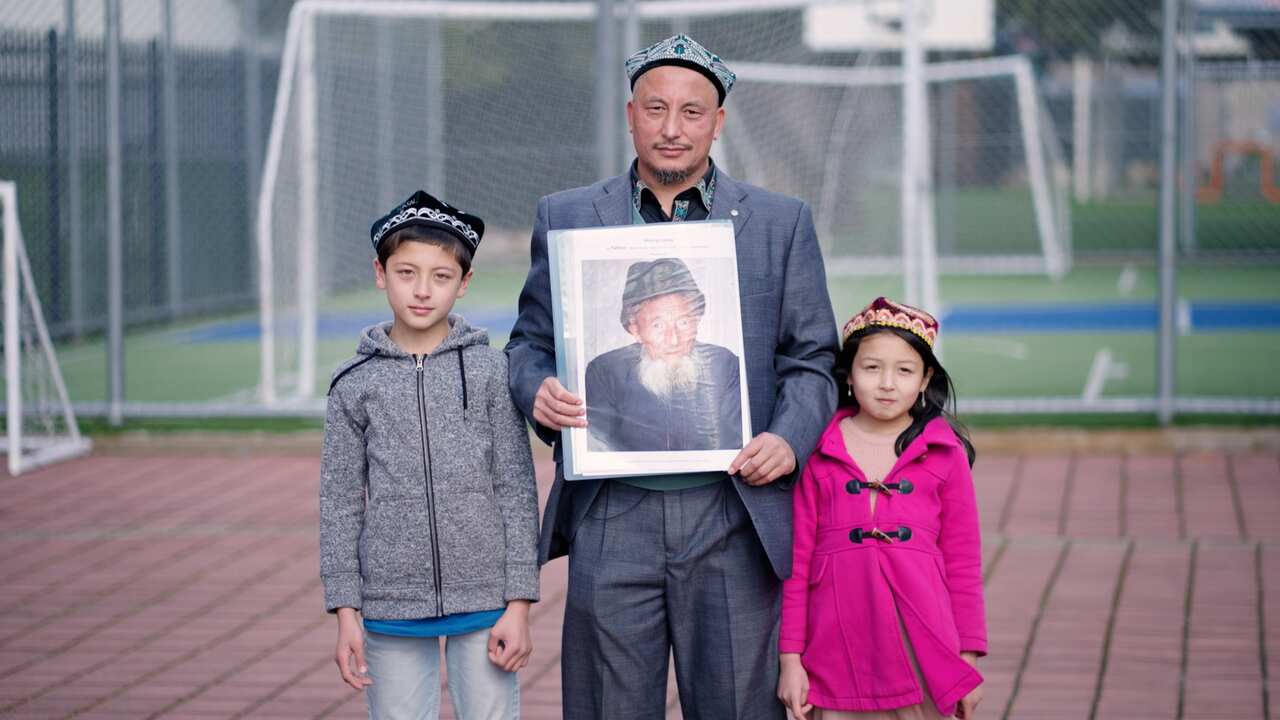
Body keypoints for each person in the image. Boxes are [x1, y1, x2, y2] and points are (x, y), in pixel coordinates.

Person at [506, 33, 838, 719]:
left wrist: (789, 438)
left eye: (692, 112)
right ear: (631, 115)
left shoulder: (780, 223)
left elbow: (811, 359)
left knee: (737, 704)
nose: (672, 128)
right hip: (611, 507)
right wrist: (537, 390)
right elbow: (529, 343)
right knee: (608, 706)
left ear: (719, 122)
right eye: (656, 109)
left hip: (733, 507)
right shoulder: (568, 215)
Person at [320, 190, 540, 719]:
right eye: (406, 273)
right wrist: (346, 611)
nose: (422, 291)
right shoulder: (353, 384)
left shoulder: (492, 373)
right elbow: (340, 504)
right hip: (390, 603)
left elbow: (516, 490)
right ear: (381, 273)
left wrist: (519, 604)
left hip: (486, 601)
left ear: (464, 283)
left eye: (441, 276)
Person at [776, 297, 986, 720]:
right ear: (849, 374)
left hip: (923, 649)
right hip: (835, 649)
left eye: (904, 370)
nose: (887, 383)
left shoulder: (945, 454)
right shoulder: (818, 450)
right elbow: (796, 563)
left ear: (925, 379)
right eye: (872, 368)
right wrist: (790, 660)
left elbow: (963, 562)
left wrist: (967, 659)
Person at [585, 256, 742, 452]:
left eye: (683, 322)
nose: (673, 339)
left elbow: (732, 446)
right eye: (658, 325)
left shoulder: (724, 365)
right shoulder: (605, 372)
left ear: (696, 321)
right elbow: (599, 448)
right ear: (635, 329)